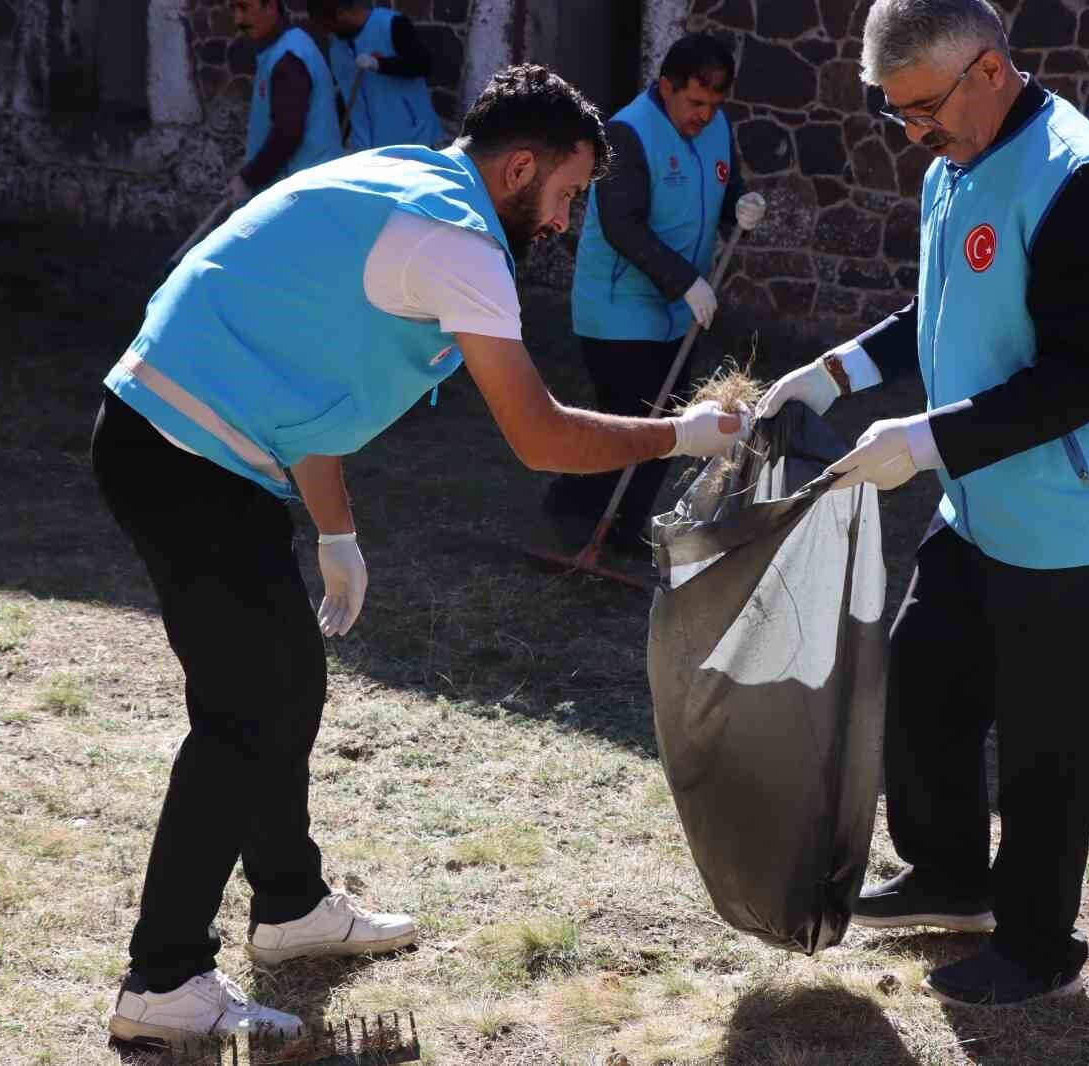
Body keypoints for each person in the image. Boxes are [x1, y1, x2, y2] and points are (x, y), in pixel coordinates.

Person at [98, 64, 750, 1049]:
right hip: (183, 457)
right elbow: (540, 436)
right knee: (243, 712)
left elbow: (302, 355)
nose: (567, 222)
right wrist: (679, 436)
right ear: (520, 166)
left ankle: (289, 906)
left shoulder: (406, 184)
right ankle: (164, 979)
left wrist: (336, 528)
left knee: (290, 681)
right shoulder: (457, 241)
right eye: (569, 195)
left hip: (196, 447)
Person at [758, 0, 1089, 1007]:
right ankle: (951, 877)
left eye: (922, 108)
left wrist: (917, 442)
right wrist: (831, 372)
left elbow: (1076, 380)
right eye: (894, 113)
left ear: (988, 69)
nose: (912, 134)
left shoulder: (1085, 187)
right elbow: (937, 307)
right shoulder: (958, 159)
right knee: (921, 683)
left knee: (1043, 749)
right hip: (984, 506)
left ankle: (1036, 947)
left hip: (1078, 527)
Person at [541, 33, 768, 559]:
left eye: (714, 105)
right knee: (629, 426)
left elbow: (727, 186)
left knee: (667, 426)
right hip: (618, 308)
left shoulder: (718, 130)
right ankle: (570, 509)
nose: (704, 116)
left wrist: (742, 206)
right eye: (694, 102)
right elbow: (622, 225)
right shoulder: (626, 132)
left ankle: (620, 532)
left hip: (674, 311)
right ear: (666, 86)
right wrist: (686, 282)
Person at [226, 0, 343, 208]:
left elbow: (287, 133)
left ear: (270, 6)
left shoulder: (288, 58)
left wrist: (249, 178)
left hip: (302, 194)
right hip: (302, 189)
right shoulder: (283, 50)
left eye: (244, 8)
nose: (238, 19)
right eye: (233, 9)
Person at [320, 0, 444, 151]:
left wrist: (379, 64)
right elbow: (346, 95)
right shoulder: (337, 47)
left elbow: (423, 64)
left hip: (412, 141)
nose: (328, 32)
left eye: (328, 25)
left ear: (341, 14)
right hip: (365, 147)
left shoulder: (392, 24)